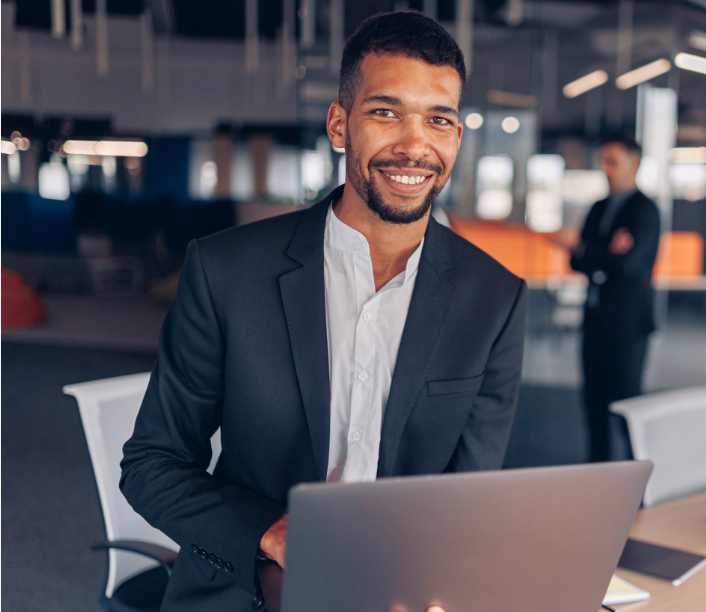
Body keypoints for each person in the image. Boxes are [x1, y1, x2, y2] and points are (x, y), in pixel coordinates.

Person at [120, 12, 526, 612]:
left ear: (456, 139)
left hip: (404, 593)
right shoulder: (226, 270)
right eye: (386, 113)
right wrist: (271, 534)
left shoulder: (495, 297)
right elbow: (152, 463)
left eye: (438, 119)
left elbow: (467, 494)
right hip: (253, 589)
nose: (415, 145)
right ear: (340, 125)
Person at [569, 135, 660, 462]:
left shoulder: (646, 210)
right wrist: (603, 251)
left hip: (627, 327)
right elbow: (576, 260)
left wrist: (593, 252)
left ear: (633, 165)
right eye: (603, 162)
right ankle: (598, 482)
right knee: (594, 409)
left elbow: (627, 264)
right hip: (594, 322)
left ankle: (641, 485)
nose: (605, 169)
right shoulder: (598, 207)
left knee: (628, 409)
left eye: (613, 162)